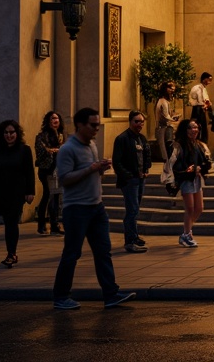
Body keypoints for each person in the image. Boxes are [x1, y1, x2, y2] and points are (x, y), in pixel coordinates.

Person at [52, 107, 135, 310]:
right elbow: (64, 179)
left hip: (96, 207)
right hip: (76, 209)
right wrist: (91, 169)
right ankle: (61, 296)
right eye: (93, 125)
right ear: (80, 124)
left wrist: (101, 170)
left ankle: (111, 294)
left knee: (103, 251)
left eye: (98, 124)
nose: (97, 128)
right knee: (72, 253)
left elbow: (92, 175)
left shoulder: (91, 145)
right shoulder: (67, 149)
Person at [0, 119, 35, 268]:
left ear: (17, 134)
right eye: (6, 132)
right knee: (8, 223)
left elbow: (29, 172)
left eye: (12, 132)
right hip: (1, 192)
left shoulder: (25, 150)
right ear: (1, 134)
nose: (9, 135)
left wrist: (31, 191)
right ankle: (11, 252)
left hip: (17, 192)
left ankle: (11, 253)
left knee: (12, 222)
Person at [112, 110, 152, 254]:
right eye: (137, 121)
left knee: (135, 209)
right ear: (130, 122)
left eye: (142, 121)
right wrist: (128, 175)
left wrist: (147, 168)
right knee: (132, 210)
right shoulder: (122, 139)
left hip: (140, 178)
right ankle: (129, 241)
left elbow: (147, 154)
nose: (139, 124)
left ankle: (134, 236)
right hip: (129, 180)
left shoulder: (142, 138)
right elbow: (117, 161)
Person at [171, 117, 211, 247]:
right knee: (190, 207)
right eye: (190, 127)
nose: (194, 130)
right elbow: (174, 163)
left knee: (199, 208)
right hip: (186, 179)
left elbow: (206, 161)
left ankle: (186, 232)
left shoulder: (199, 145)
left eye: (196, 127)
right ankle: (187, 234)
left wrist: (200, 168)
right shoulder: (179, 145)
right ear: (185, 130)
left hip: (196, 178)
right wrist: (186, 170)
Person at [34, 111, 64, 235]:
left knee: (56, 196)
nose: (55, 120)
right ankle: (41, 225)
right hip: (46, 170)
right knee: (47, 195)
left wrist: (57, 150)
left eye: (57, 118)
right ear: (48, 121)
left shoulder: (61, 135)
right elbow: (42, 151)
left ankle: (54, 225)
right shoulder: (41, 136)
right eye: (52, 118)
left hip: (58, 170)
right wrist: (55, 150)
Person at [154, 81, 181, 162]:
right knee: (166, 149)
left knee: (165, 148)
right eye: (170, 88)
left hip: (163, 126)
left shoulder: (163, 101)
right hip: (163, 127)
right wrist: (174, 119)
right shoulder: (163, 101)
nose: (172, 90)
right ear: (166, 89)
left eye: (173, 89)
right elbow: (166, 116)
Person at [188, 72, 214, 143]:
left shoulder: (203, 88)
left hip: (201, 109)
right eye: (208, 79)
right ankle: (198, 142)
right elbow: (200, 100)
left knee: (202, 128)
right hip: (198, 109)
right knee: (199, 128)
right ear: (203, 79)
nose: (209, 82)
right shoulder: (198, 88)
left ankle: (202, 143)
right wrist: (205, 104)